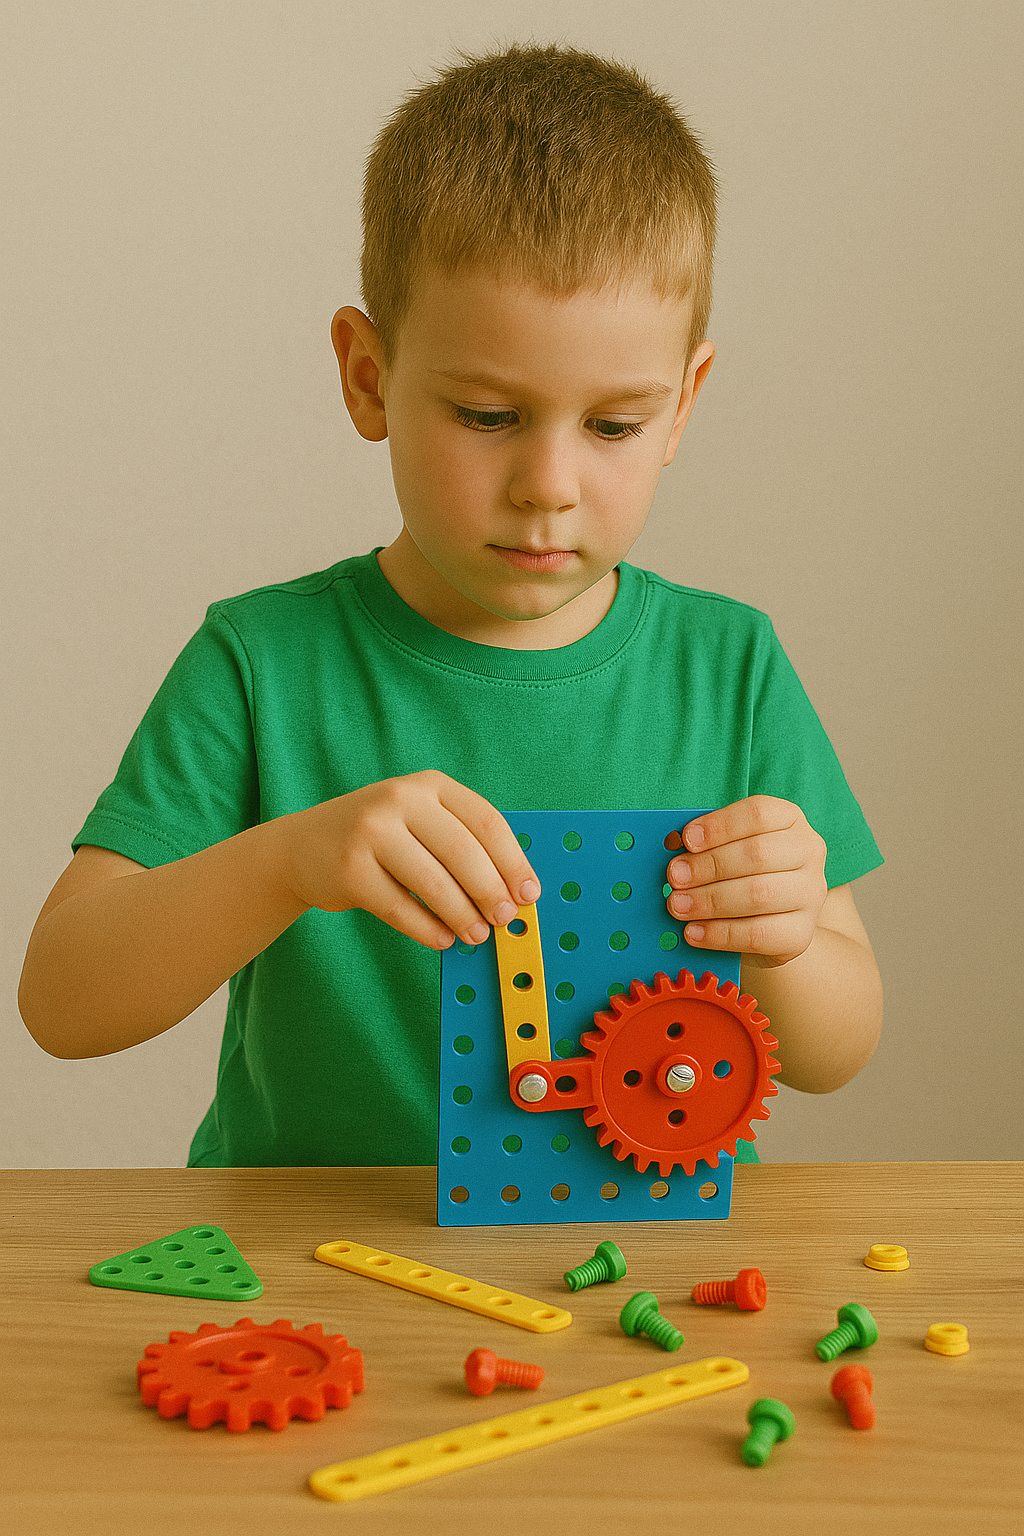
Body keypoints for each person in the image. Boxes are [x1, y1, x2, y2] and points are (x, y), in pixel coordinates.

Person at [19, 41, 883, 1169]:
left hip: (639, 1278)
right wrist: (287, 861)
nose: (548, 484)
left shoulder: (728, 664)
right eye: (485, 414)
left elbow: (839, 1044)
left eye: (615, 425)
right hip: (316, 1280)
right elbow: (64, 1002)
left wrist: (780, 940)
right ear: (368, 379)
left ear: (683, 406)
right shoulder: (260, 661)